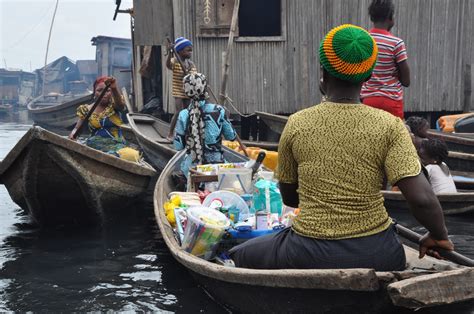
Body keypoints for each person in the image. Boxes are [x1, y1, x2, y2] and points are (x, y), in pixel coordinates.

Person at [229, 24, 453, 270]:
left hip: (307, 251)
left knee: (239, 253)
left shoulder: (297, 124)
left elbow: (291, 198)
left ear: (323, 71)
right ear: (367, 77)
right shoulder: (391, 126)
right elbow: (422, 199)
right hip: (379, 253)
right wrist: (439, 235)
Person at [174, 72, 246, 176]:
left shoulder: (183, 114)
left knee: (184, 169)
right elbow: (231, 136)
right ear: (205, 89)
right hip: (217, 167)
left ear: (186, 91)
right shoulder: (219, 110)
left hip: (191, 170)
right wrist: (225, 118)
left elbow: (178, 146)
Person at [69, 76, 140, 162]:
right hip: (95, 145)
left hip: (117, 145)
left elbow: (120, 105)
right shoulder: (86, 109)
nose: (104, 94)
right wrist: (73, 134)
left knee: (133, 155)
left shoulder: (114, 106)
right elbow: (77, 128)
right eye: (99, 90)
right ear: (94, 92)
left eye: (107, 90)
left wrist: (114, 88)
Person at [360, 0, 410, 119]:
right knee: (393, 137)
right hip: (391, 101)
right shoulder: (396, 43)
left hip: (368, 101)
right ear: (390, 17)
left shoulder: (363, 40)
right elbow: (406, 81)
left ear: (372, 18)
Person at [166, 37, 197, 140]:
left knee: (187, 112)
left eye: (191, 50)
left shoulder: (190, 64)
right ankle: (170, 133)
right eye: (188, 50)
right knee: (179, 111)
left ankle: (186, 134)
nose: (190, 52)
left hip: (187, 91)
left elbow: (194, 76)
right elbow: (168, 65)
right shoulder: (175, 61)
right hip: (178, 90)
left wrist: (190, 75)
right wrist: (170, 52)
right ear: (179, 51)